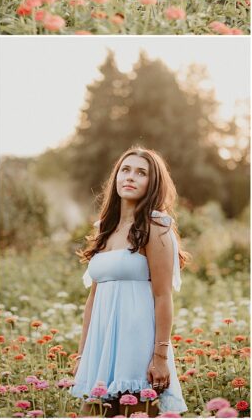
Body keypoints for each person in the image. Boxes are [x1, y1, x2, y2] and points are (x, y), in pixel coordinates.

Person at [72, 148, 188, 416]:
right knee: (92, 412)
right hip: (101, 346)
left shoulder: (156, 226)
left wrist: (159, 357)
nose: (131, 177)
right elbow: (93, 298)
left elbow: (163, 296)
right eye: (126, 169)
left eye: (141, 172)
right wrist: (83, 355)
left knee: (134, 412)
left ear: (153, 182)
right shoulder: (104, 227)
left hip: (137, 343)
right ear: (116, 177)